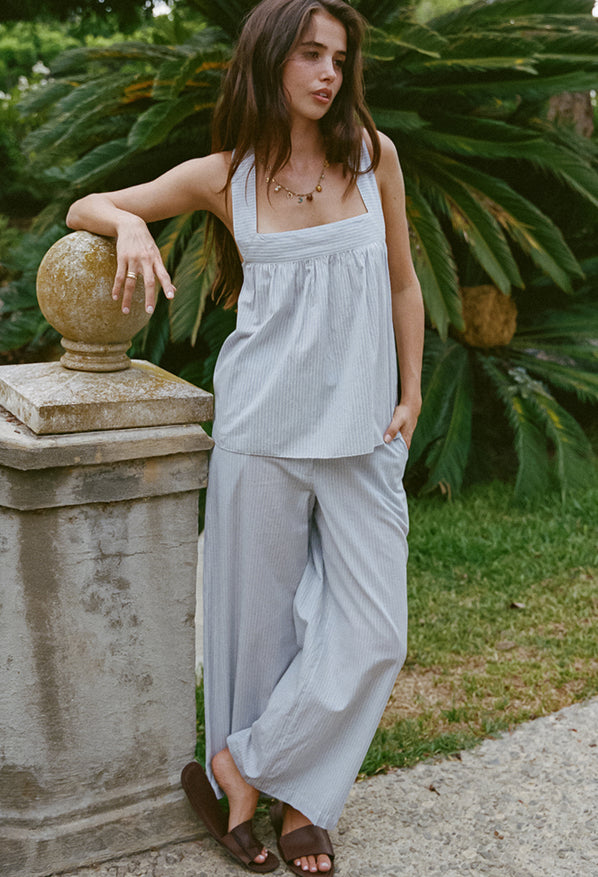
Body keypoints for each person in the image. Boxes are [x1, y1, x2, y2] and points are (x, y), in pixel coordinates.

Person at [66, 0, 424, 873]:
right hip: (261, 427)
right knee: (254, 629)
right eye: (310, 54)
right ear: (270, 60)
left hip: (364, 431)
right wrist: (131, 223)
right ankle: (292, 807)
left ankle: (245, 763)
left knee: (377, 632)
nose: (329, 73)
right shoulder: (224, 177)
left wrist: (412, 391)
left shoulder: (373, 157)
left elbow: (404, 284)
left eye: (339, 57)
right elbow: (86, 204)